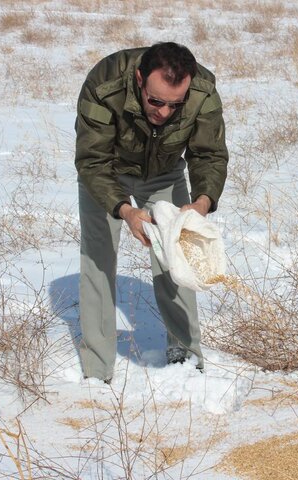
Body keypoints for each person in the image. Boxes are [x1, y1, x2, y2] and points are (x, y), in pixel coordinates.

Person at [74, 42, 228, 382]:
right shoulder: (105, 83)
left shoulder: (202, 90)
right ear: (140, 79)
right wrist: (126, 211)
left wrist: (200, 204)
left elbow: (210, 154)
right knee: (98, 258)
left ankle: (186, 355)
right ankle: (98, 367)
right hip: (107, 170)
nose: (164, 112)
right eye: (156, 101)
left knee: (176, 256)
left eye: (175, 104)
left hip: (164, 171)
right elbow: (92, 160)